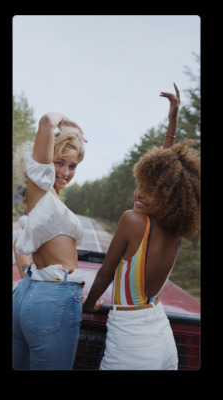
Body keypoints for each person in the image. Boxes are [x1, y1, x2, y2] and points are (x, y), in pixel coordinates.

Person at [83, 84, 200, 370]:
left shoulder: (132, 221)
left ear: (167, 197)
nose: (139, 193)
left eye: (149, 190)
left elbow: (105, 274)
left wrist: (88, 307)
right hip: (161, 335)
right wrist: (171, 122)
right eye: (139, 185)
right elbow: (166, 171)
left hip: (132, 342)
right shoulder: (174, 232)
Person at [13, 113, 87, 370]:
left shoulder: (46, 198)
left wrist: (32, 282)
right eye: (59, 163)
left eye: (73, 165)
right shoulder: (41, 186)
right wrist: (65, 121)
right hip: (53, 297)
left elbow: (18, 242)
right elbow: (46, 121)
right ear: (44, 162)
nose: (66, 172)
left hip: (32, 293)